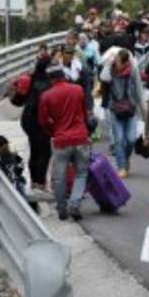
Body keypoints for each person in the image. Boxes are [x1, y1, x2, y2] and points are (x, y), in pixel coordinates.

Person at [38, 63, 91, 221]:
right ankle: (74, 203)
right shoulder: (77, 89)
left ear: (51, 79)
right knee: (81, 173)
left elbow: (43, 121)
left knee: (59, 177)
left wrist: (53, 131)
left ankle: (61, 209)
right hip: (81, 138)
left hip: (61, 140)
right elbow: (84, 113)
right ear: (63, 75)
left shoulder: (46, 96)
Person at [20, 46, 56, 190]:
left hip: (27, 120)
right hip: (40, 121)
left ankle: (34, 180)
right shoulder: (47, 85)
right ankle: (40, 182)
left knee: (34, 150)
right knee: (45, 152)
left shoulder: (31, 78)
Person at [104, 48, 143, 177]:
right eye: (116, 60)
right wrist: (108, 64)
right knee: (119, 139)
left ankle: (126, 158)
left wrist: (143, 109)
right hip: (115, 108)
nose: (117, 63)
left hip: (131, 109)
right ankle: (121, 166)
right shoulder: (111, 69)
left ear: (126, 62)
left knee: (131, 139)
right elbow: (103, 78)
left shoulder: (133, 70)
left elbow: (138, 89)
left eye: (119, 61)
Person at [0, 131, 28, 199]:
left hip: (16, 181)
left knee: (20, 185)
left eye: (7, 147)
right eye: (4, 149)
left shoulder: (14, 156)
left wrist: (18, 169)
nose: (6, 150)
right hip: (5, 184)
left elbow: (21, 165)